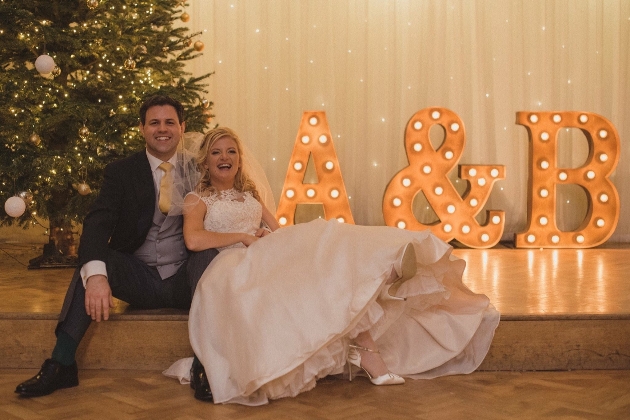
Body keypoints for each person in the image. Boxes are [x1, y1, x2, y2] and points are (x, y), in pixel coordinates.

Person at [164, 127, 501, 405]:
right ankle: (370, 338)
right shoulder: (198, 199)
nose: (226, 158)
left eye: (231, 152)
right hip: (232, 264)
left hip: (263, 253)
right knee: (318, 267)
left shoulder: (251, 196)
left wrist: (268, 236)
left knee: (324, 244)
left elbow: (281, 231)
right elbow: (194, 240)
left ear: (239, 160)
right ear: (206, 163)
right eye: (217, 153)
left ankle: (386, 263)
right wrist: (243, 237)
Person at [15, 95, 217, 402]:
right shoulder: (121, 171)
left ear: (182, 127)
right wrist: (96, 276)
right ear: (141, 129)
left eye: (169, 122)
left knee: (208, 256)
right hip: (140, 278)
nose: (162, 129)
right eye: (154, 123)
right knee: (95, 261)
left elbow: (231, 201)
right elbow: (97, 224)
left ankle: (205, 366)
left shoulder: (200, 169)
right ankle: (62, 362)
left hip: (185, 280)